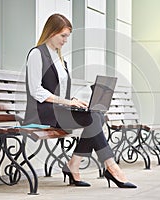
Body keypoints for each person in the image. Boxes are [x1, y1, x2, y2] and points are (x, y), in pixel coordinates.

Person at [24, 13, 136, 188]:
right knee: (93, 118)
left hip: (57, 112)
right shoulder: (37, 54)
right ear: (51, 32)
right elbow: (36, 90)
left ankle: (74, 166)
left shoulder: (60, 58)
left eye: (67, 36)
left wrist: (72, 100)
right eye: (63, 35)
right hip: (41, 115)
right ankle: (110, 167)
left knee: (97, 115)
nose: (65, 40)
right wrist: (67, 103)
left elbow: (58, 90)